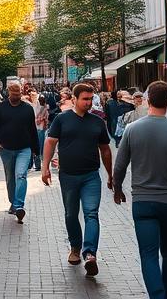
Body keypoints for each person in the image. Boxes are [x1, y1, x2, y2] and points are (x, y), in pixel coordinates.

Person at [114, 81, 167, 299]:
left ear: (148, 100)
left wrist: (117, 189)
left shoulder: (132, 130)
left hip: (142, 202)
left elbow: (120, 165)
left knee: (148, 254)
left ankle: (157, 296)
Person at [41, 82, 113, 277]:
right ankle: (75, 247)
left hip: (91, 176)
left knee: (91, 213)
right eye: (85, 99)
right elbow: (50, 142)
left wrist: (110, 174)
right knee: (71, 214)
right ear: (74, 99)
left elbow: (105, 150)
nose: (89, 103)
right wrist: (45, 167)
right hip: (68, 176)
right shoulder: (62, 119)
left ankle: (90, 253)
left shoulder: (97, 122)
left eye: (91, 99)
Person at [0, 81, 40, 222]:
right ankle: (13, 202)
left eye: (18, 94)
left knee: (21, 175)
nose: (16, 96)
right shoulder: (0, 108)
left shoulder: (27, 109)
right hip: (6, 148)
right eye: (13, 94)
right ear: (8, 93)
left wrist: (36, 150)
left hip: (24, 148)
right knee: (10, 177)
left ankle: (19, 206)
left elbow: (32, 130)